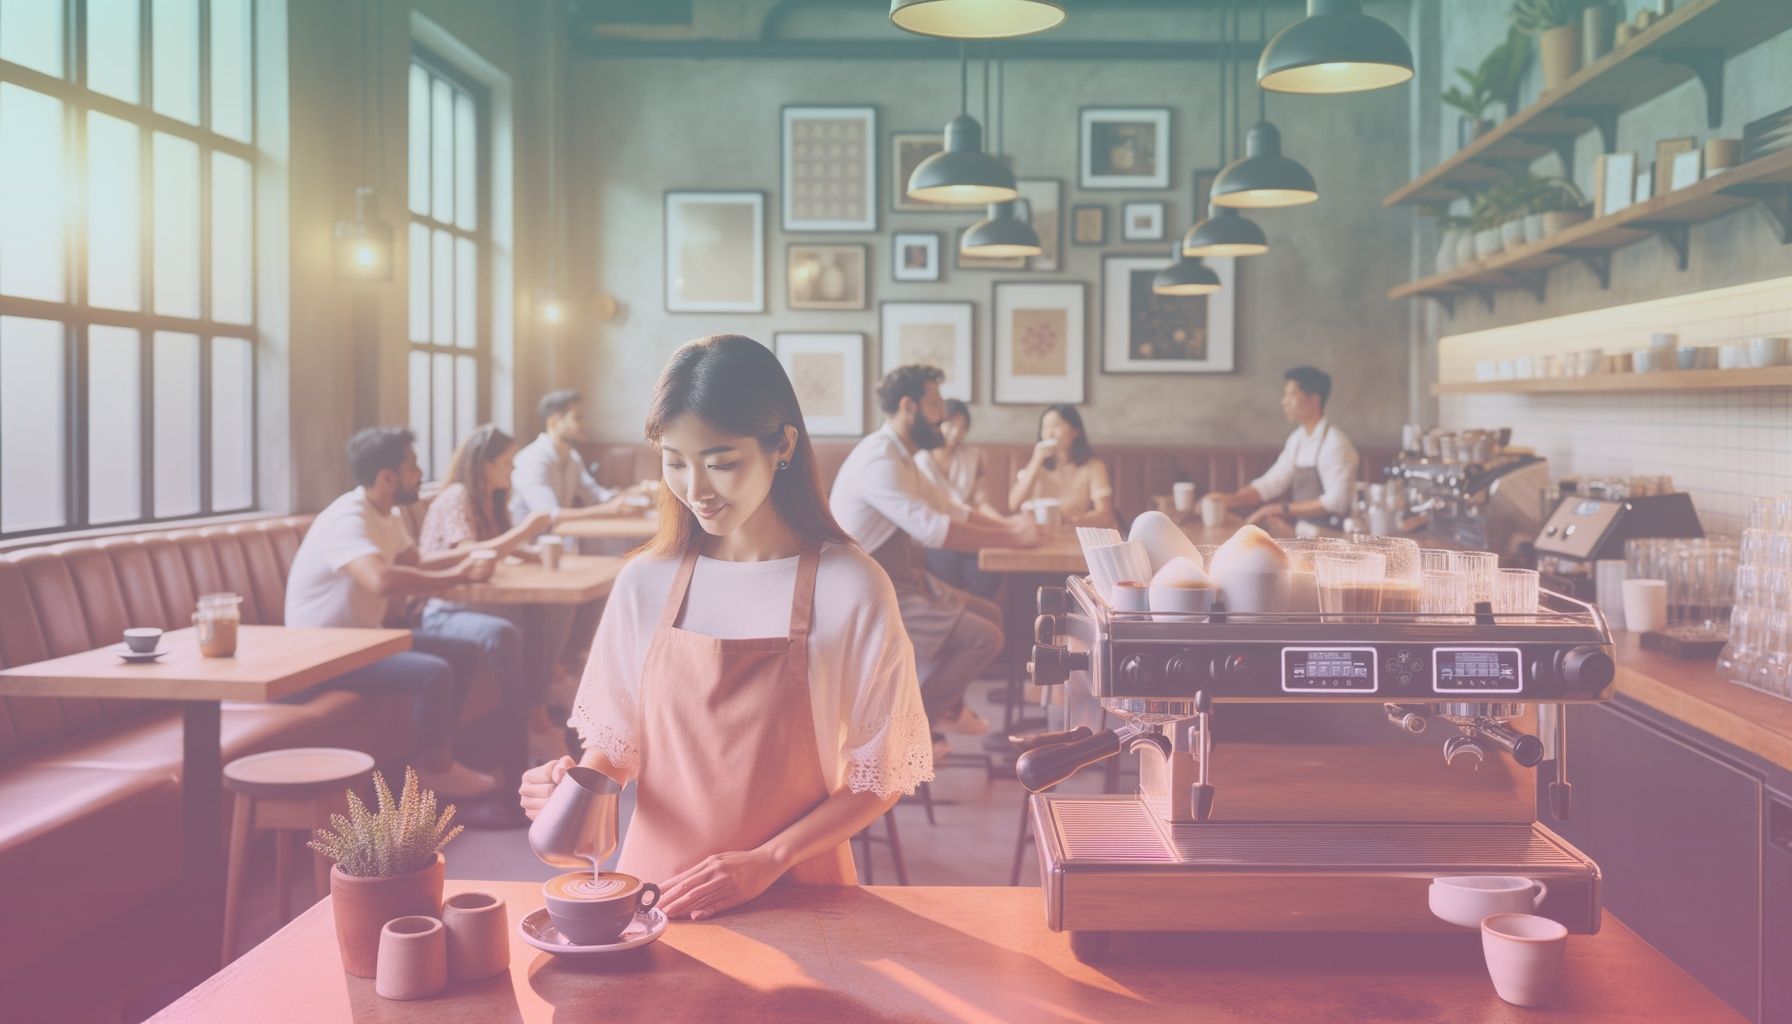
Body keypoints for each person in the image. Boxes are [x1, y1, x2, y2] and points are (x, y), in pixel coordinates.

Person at [518, 334, 932, 920]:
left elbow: (880, 774)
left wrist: (768, 859)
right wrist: (571, 785)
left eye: (721, 463)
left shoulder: (854, 586)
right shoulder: (644, 581)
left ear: (782, 444)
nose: (696, 490)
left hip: (800, 891)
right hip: (655, 896)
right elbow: (616, 744)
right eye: (674, 463)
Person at [283, 427, 516, 799]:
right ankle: (435, 773)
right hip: (324, 652)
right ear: (387, 477)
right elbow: (380, 579)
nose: (421, 473)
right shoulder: (349, 517)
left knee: (463, 651)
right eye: (413, 466)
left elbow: (417, 559)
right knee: (433, 673)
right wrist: (457, 575)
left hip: (365, 641)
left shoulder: (386, 513)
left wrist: (480, 553)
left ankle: (437, 761)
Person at [830, 365, 1041, 753]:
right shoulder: (880, 461)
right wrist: (1013, 536)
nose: (942, 416)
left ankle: (945, 709)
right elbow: (933, 529)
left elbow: (951, 508)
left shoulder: (901, 455)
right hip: (865, 593)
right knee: (985, 638)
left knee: (990, 614)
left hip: (897, 579)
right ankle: (908, 733)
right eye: (935, 404)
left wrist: (1010, 532)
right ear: (909, 406)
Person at [418, 424, 574, 753]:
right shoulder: (457, 496)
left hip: (475, 602)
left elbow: (500, 544)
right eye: (507, 462)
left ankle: (540, 711)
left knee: (554, 605)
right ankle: (532, 724)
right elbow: (476, 552)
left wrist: (535, 553)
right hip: (443, 607)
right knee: (523, 621)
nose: (513, 469)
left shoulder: (491, 498)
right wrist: (527, 530)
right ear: (484, 463)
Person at [1220, 366, 1361, 533]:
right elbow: (1272, 482)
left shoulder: (1335, 444)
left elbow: (1337, 501)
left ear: (1313, 399)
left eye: (1291, 395)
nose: (1284, 401)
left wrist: (1277, 509)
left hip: (1331, 537)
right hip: (1304, 532)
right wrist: (1227, 500)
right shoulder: (1298, 439)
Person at [509, 389, 651, 525]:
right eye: (577, 418)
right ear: (553, 422)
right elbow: (549, 515)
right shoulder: (532, 460)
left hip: (558, 539)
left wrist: (633, 493)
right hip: (525, 547)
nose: (585, 425)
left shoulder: (572, 458)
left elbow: (595, 497)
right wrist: (609, 509)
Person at [916, 399, 1001, 599]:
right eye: (951, 425)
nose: (956, 433)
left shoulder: (973, 456)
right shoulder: (918, 460)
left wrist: (1002, 523)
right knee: (947, 568)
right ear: (937, 423)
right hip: (935, 533)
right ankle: (957, 620)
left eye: (962, 428)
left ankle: (979, 621)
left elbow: (981, 502)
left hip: (969, 529)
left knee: (989, 577)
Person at [1008, 404, 1118, 530]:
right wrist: (1036, 460)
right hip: (1038, 535)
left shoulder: (1093, 467)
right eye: (1045, 427)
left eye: (1056, 426)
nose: (1049, 434)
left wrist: (1068, 520)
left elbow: (1104, 515)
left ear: (1075, 431)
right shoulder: (1037, 466)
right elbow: (1014, 505)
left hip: (1072, 533)